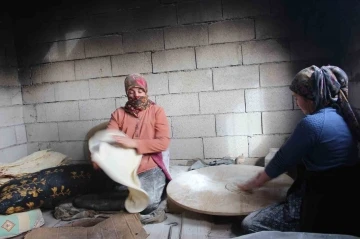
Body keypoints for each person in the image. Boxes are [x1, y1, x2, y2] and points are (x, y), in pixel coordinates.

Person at [237, 65, 360, 236]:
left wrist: (252, 183)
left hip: (323, 204)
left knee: (250, 223)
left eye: (296, 97)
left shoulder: (312, 123)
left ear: (311, 97)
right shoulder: (346, 114)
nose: (296, 102)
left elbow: (281, 160)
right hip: (348, 199)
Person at [75, 73, 171, 219]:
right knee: (108, 182)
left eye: (140, 91)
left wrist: (133, 143)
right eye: (131, 91)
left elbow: (163, 143)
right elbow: (107, 139)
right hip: (125, 168)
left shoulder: (157, 111)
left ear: (146, 91)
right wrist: (97, 154)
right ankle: (126, 198)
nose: (136, 95)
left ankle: (111, 200)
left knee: (149, 204)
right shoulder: (118, 114)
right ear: (126, 93)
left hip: (150, 168)